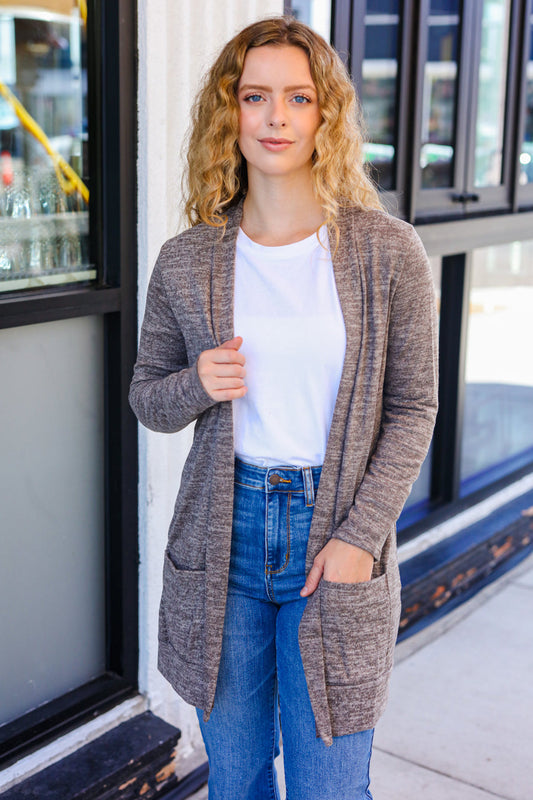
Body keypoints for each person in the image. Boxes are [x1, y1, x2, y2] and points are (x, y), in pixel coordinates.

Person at [129, 16, 438, 800]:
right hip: (219, 545)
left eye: (297, 98)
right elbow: (148, 399)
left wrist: (360, 538)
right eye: (254, 96)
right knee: (234, 782)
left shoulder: (386, 251)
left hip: (331, 537)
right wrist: (199, 379)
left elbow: (412, 407)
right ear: (227, 113)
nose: (274, 117)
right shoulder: (188, 259)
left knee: (328, 787)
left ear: (324, 114)